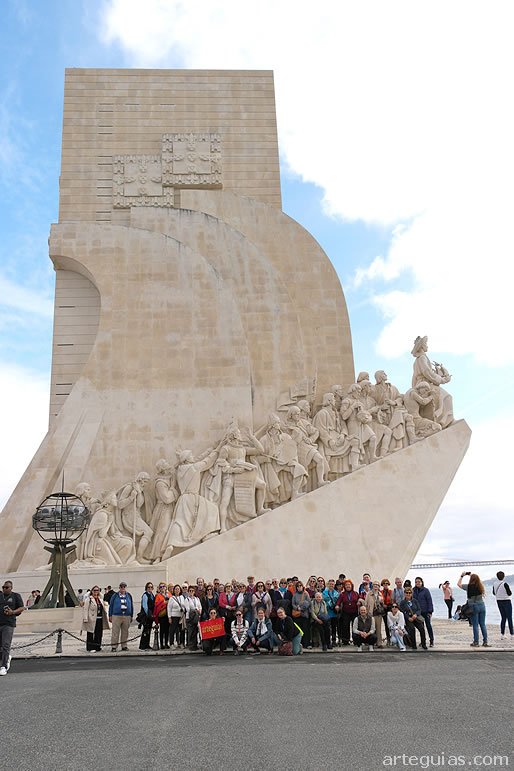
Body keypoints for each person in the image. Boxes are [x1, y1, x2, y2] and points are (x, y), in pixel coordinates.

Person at [457, 572, 491, 647]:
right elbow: (477, 579)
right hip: (482, 605)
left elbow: (458, 584)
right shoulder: (480, 586)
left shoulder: (468, 586)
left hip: (473, 606)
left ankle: (476, 642)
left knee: (475, 625)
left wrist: (462, 576)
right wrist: (470, 574)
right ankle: (485, 641)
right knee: (482, 624)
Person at [0, 580, 24, 676]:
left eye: (6, 587)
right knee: (1, 646)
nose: (4, 589)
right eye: (3, 587)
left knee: (6, 644)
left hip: (9, 623)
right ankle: (6, 658)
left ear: (11, 588)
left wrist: (13, 612)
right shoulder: (0, 596)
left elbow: (22, 607)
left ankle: (3, 666)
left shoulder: (16, 596)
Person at [82, 585, 109, 652]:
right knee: (91, 633)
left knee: (99, 633)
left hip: (100, 618)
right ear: (92, 591)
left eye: (97, 590)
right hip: (92, 618)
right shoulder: (89, 599)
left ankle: (97, 646)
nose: (96, 592)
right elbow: (85, 609)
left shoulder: (100, 599)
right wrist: (85, 618)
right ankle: (90, 647)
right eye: (95, 590)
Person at [109, 582, 133, 652]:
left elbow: (131, 605)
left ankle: (124, 645)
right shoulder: (115, 595)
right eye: (121, 587)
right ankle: (114, 646)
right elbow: (111, 605)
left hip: (126, 615)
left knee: (125, 632)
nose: (123, 588)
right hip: (116, 615)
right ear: (119, 588)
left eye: (124, 587)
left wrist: (131, 615)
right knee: (115, 632)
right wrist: (110, 615)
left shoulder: (128, 595)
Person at [336, 580, 359, 646]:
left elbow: (359, 599)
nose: (348, 586)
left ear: (352, 586)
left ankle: (356, 640)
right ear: (344, 587)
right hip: (345, 613)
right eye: (346, 585)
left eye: (349, 585)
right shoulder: (342, 594)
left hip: (354, 613)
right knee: (345, 627)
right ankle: (346, 641)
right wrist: (337, 605)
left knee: (354, 627)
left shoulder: (355, 593)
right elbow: (338, 601)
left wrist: (359, 602)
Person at [413, 577, 434, 647]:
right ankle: (423, 641)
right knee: (421, 628)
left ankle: (431, 641)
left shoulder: (426, 590)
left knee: (428, 626)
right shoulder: (413, 590)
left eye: (419, 582)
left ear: (422, 582)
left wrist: (430, 611)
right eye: (416, 582)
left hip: (426, 611)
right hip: (418, 612)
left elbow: (429, 601)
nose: (417, 583)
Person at [492, 571, 513, 639]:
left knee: (503, 618)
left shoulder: (495, 584)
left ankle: (502, 634)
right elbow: (509, 593)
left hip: (499, 601)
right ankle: (512, 634)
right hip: (507, 601)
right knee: (509, 618)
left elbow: (494, 593)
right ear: (503, 576)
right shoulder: (505, 584)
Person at [365, 581, 386, 648]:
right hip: (371, 613)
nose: (375, 586)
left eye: (377, 585)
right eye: (374, 585)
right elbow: (366, 603)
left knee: (378, 628)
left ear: (379, 586)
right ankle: (370, 642)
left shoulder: (380, 594)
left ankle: (379, 643)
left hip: (378, 613)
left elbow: (382, 604)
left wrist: (382, 602)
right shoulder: (369, 594)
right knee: (370, 628)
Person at [292, 580, 311, 648]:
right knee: (299, 630)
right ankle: (300, 644)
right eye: (298, 586)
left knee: (306, 629)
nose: (299, 587)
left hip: (305, 614)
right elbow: (293, 604)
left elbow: (309, 603)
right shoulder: (295, 595)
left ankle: (307, 644)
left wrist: (302, 608)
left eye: (300, 586)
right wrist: (297, 608)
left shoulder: (306, 594)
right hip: (297, 615)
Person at [184, 585, 202, 651]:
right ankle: (191, 645)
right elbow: (188, 609)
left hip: (197, 617)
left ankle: (195, 645)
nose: (191, 592)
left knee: (195, 631)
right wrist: (195, 610)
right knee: (191, 631)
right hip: (190, 617)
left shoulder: (197, 599)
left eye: (192, 591)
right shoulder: (187, 599)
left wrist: (198, 612)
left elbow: (200, 607)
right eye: (190, 591)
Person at [323, 579, 340, 646]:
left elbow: (337, 600)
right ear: (328, 585)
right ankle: (328, 641)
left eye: (332, 584)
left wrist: (331, 602)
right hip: (327, 612)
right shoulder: (324, 592)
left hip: (334, 613)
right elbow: (325, 599)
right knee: (327, 628)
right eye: (330, 584)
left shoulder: (336, 593)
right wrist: (332, 603)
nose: (331, 585)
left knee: (334, 628)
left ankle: (334, 640)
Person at [153, 582, 171, 649]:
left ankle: (166, 643)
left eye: (163, 586)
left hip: (168, 614)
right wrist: (163, 603)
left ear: (166, 587)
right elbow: (156, 604)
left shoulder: (169, 594)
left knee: (167, 630)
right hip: (162, 614)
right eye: (161, 587)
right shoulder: (158, 595)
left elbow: (172, 601)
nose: (162, 588)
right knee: (162, 630)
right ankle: (162, 644)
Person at [139, 582, 155, 650]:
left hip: (151, 615)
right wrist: (148, 615)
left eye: (151, 587)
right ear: (146, 588)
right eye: (148, 587)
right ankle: (143, 645)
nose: (150, 588)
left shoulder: (152, 595)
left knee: (149, 630)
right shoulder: (145, 595)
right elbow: (145, 606)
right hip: (146, 615)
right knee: (145, 631)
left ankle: (147, 644)